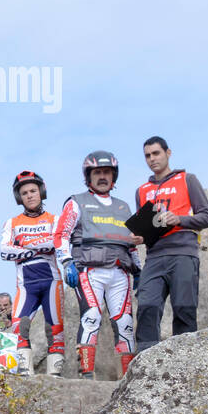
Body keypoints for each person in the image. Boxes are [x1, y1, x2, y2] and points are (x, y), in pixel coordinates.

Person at [53, 150, 141, 378]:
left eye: (107, 172)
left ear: (114, 176)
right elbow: (61, 234)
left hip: (120, 270)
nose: (103, 176)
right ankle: (87, 375)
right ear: (88, 176)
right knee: (91, 316)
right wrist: (67, 261)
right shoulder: (76, 202)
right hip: (89, 269)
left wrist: (139, 269)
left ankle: (128, 378)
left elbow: (132, 242)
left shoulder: (123, 207)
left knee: (125, 323)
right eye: (98, 172)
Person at [134, 136, 208, 351]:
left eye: (156, 153)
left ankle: (184, 363)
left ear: (168, 153)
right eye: (147, 155)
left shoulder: (188, 179)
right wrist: (141, 237)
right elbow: (148, 228)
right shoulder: (141, 190)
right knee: (147, 307)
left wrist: (180, 219)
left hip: (184, 253)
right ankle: (145, 364)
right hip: (155, 256)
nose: (152, 159)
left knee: (184, 309)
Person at [0, 170, 66, 375]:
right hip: (26, 284)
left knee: (55, 328)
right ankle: (25, 375)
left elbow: (56, 243)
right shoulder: (12, 222)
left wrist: (24, 248)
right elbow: (4, 251)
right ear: (19, 197)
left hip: (51, 281)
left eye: (33, 191)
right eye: (25, 192)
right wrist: (37, 248)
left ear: (41, 192)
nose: (29, 195)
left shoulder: (55, 219)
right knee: (18, 326)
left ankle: (54, 376)